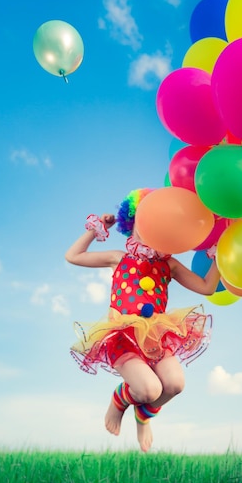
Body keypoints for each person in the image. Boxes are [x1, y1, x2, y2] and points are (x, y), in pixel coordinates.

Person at [65, 188, 220, 452]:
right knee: (148, 390)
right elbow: (73, 256)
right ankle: (119, 401)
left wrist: (219, 257)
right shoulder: (119, 258)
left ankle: (143, 417)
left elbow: (206, 287)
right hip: (123, 336)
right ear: (134, 221)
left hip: (157, 336)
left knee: (174, 384)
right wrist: (96, 229)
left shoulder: (168, 264)